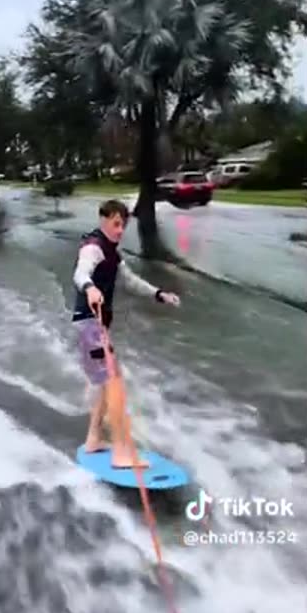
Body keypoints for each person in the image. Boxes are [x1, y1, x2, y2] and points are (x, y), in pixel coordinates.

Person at [71, 199, 181, 468]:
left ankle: (94, 439)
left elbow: (130, 281)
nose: (120, 230)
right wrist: (89, 287)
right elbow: (80, 272)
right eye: (116, 224)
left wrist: (158, 294)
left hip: (97, 326)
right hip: (89, 324)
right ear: (103, 220)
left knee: (104, 386)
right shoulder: (93, 249)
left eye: (124, 225)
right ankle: (121, 453)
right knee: (115, 386)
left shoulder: (112, 254)